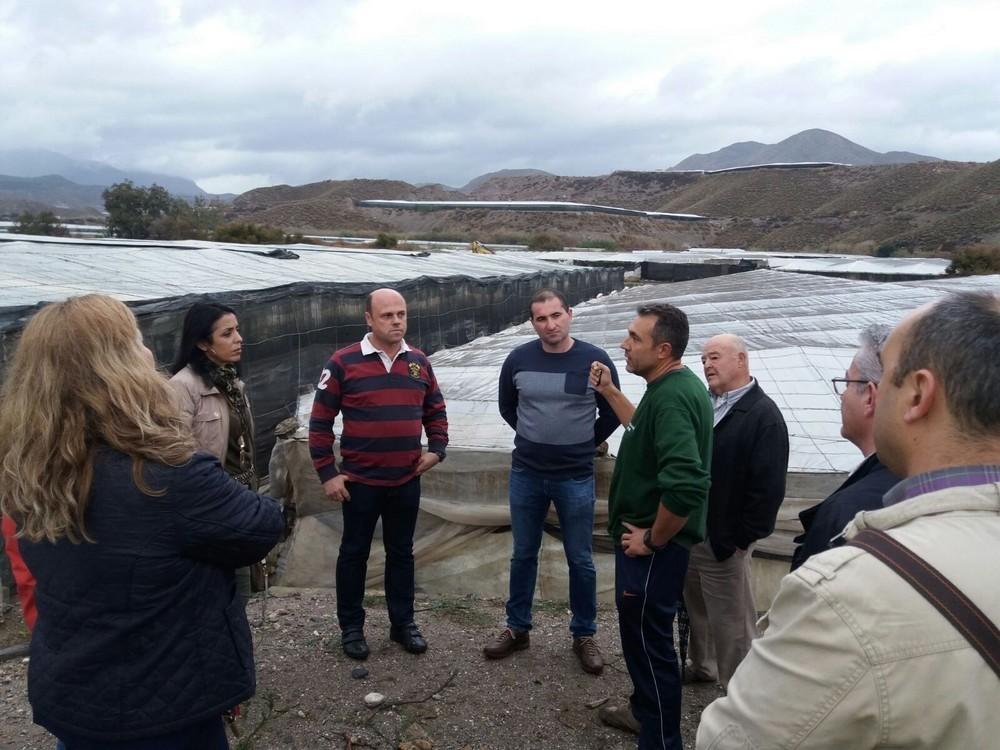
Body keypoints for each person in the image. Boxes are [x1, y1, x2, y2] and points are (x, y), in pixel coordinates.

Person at [696, 291, 1000, 749]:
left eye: (878, 379)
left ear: (918, 394)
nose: (857, 394)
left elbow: (736, 739)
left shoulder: (848, 588)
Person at [0, 294, 284, 749]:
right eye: (137, 342)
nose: (150, 352)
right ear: (119, 367)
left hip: (74, 694)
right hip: (163, 706)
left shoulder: (27, 468)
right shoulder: (163, 473)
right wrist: (171, 439)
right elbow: (260, 526)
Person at [589, 303, 713, 750]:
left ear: (663, 350)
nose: (624, 344)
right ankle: (644, 715)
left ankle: (660, 740)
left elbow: (686, 485)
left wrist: (652, 539)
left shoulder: (674, 397)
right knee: (644, 640)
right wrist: (609, 391)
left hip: (652, 553)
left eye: (634, 338)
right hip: (650, 548)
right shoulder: (671, 387)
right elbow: (641, 426)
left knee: (649, 648)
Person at [483, 289, 621, 674]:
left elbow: (612, 411)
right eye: (541, 319)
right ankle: (517, 628)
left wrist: (585, 443)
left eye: (556, 315)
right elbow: (508, 407)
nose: (550, 324)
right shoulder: (518, 359)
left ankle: (584, 634)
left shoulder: (594, 360)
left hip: (575, 476)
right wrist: (534, 437)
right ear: (533, 323)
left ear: (569, 314)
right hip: (527, 473)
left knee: (581, 558)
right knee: (523, 554)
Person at [309, 288, 448, 660]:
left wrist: (437, 449)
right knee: (354, 554)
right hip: (360, 483)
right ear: (369, 319)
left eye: (401, 314)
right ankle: (351, 628)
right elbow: (320, 422)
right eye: (387, 315)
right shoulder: (343, 362)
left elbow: (435, 409)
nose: (396, 321)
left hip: (406, 480)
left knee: (401, 553)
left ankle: (403, 624)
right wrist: (328, 473)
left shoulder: (418, 362)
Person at [683, 334, 788, 689]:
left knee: (732, 622)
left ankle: (739, 693)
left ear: (741, 360)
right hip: (693, 530)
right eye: (703, 359)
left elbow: (768, 488)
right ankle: (704, 666)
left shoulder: (763, 416)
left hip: (725, 539)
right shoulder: (704, 403)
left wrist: (742, 539)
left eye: (714, 357)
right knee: (697, 609)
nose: (706, 365)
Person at [169, 301, 258, 603]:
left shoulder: (232, 383)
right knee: (213, 585)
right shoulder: (182, 388)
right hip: (209, 503)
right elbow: (176, 452)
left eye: (238, 330)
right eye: (227, 333)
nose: (239, 339)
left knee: (241, 584)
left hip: (240, 497)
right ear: (202, 343)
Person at [790, 324, 900, 569]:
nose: (842, 395)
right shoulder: (927, 484)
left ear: (870, 397)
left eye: (846, 382)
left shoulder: (850, 513)